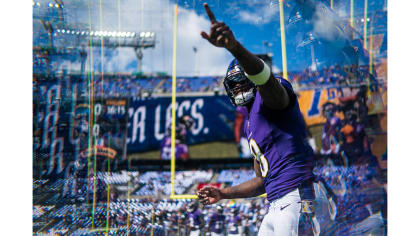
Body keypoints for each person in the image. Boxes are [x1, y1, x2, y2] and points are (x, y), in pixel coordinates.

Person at [197, 3, 318, 236]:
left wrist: (234, 48)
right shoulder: (250, 121)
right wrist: (224, 194)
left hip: (295, 195)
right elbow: (262, 181)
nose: (240, 87)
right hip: (275, 203)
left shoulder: (270, 95)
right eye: (235, 85)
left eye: (244, 81)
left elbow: (265, 80)